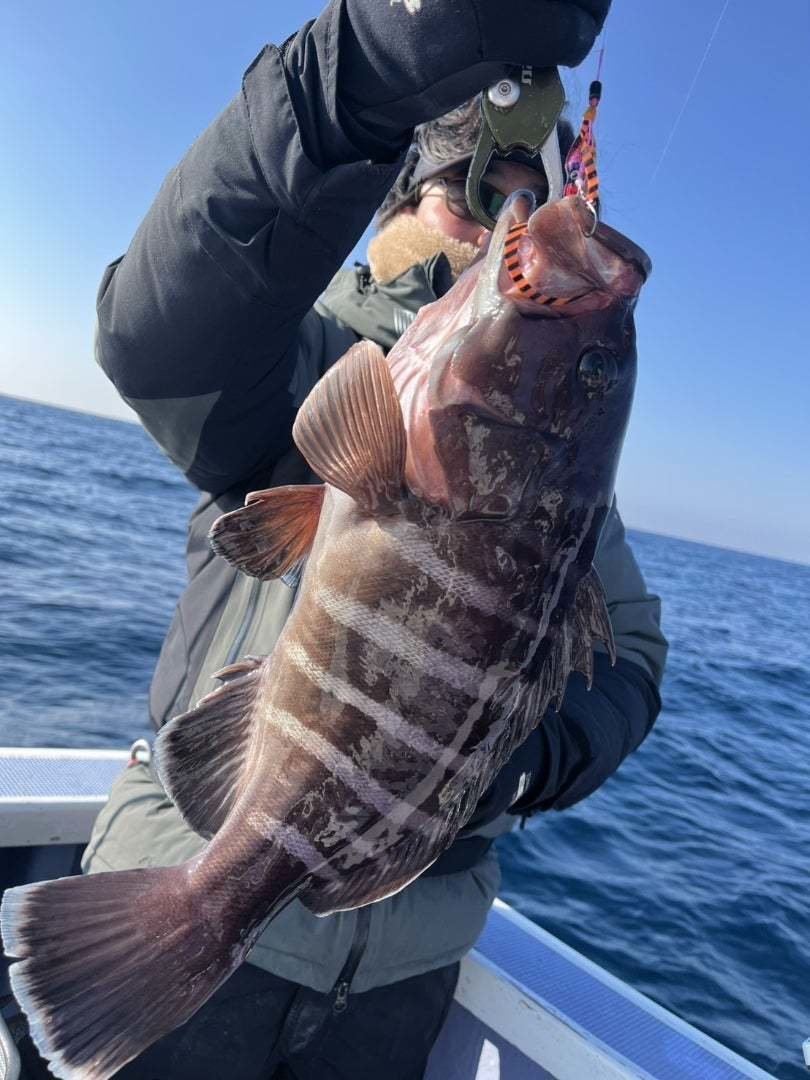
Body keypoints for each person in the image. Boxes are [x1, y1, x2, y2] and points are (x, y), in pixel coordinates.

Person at [18, 1, 668, 1077]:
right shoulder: (294, 352)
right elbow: (152, 335)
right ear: (396, 202)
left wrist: (502, 764)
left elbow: (632, 658)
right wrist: (352, 80)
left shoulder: (564, 486)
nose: (498, 227)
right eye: (473, 191)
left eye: (522, 198)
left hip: (401, 982)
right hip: (193, 870)